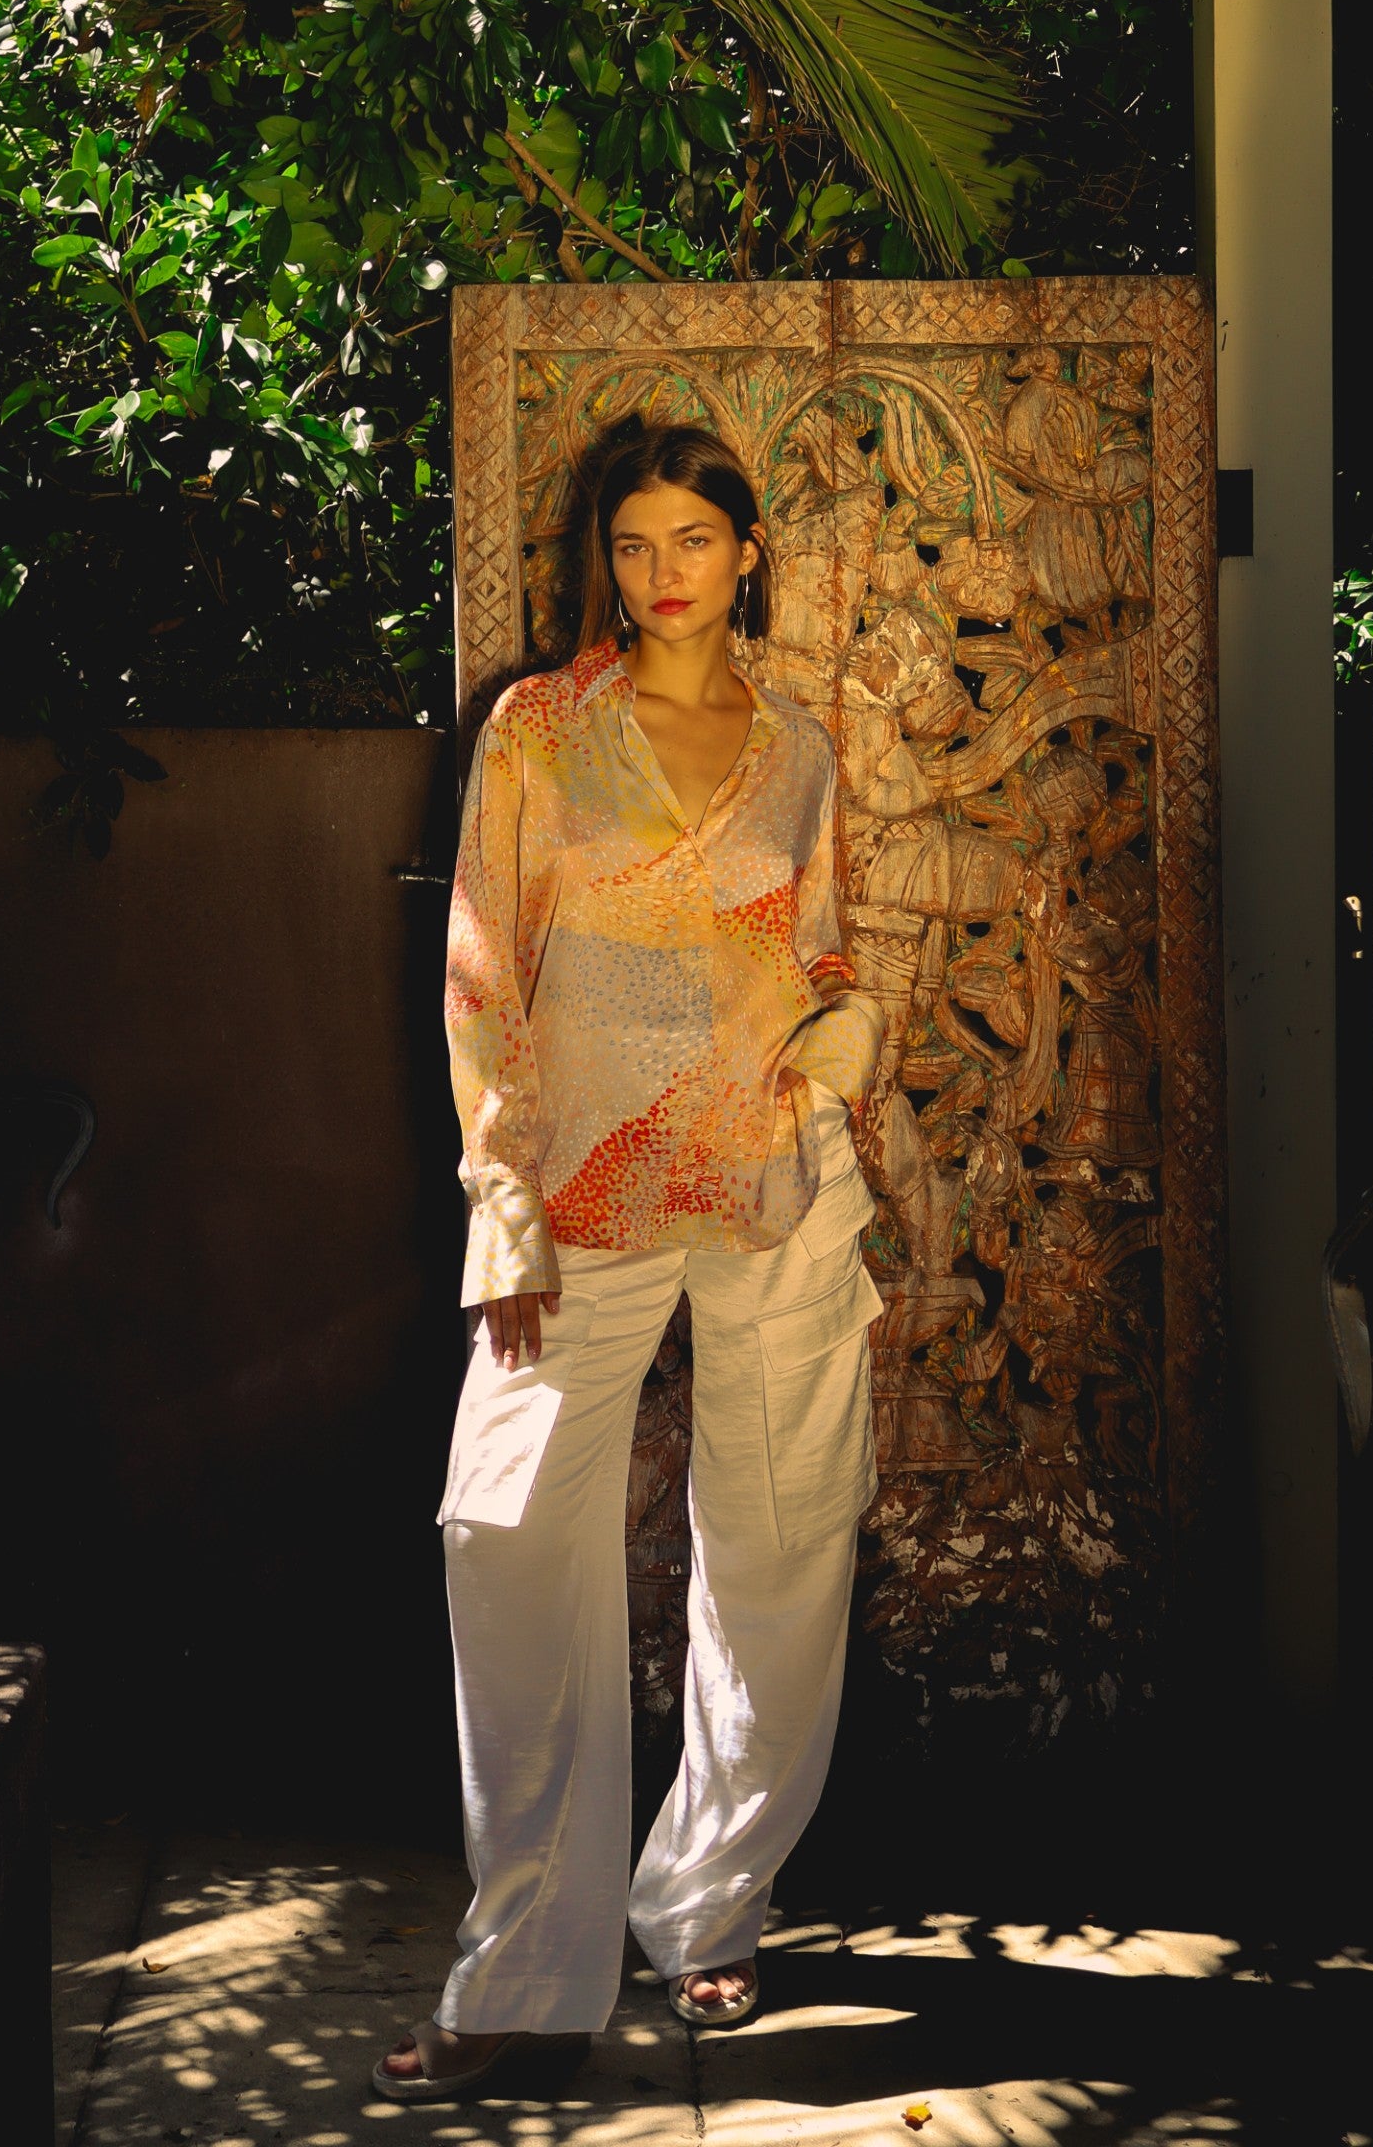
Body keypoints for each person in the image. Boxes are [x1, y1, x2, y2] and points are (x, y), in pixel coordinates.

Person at [375, 414, 884, 2105]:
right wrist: (500, 1200)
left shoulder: (798, 747)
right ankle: (525, 1973)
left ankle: (707, 1900)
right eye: (633, 541)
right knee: (505, 1534)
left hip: (766, 1180)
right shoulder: (538, 730)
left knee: (786, 1547)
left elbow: (818, 953)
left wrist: (840, 1047)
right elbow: (479, 967)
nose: (659, 573)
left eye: (693, 539)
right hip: (580, 1191)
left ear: (748, 552)